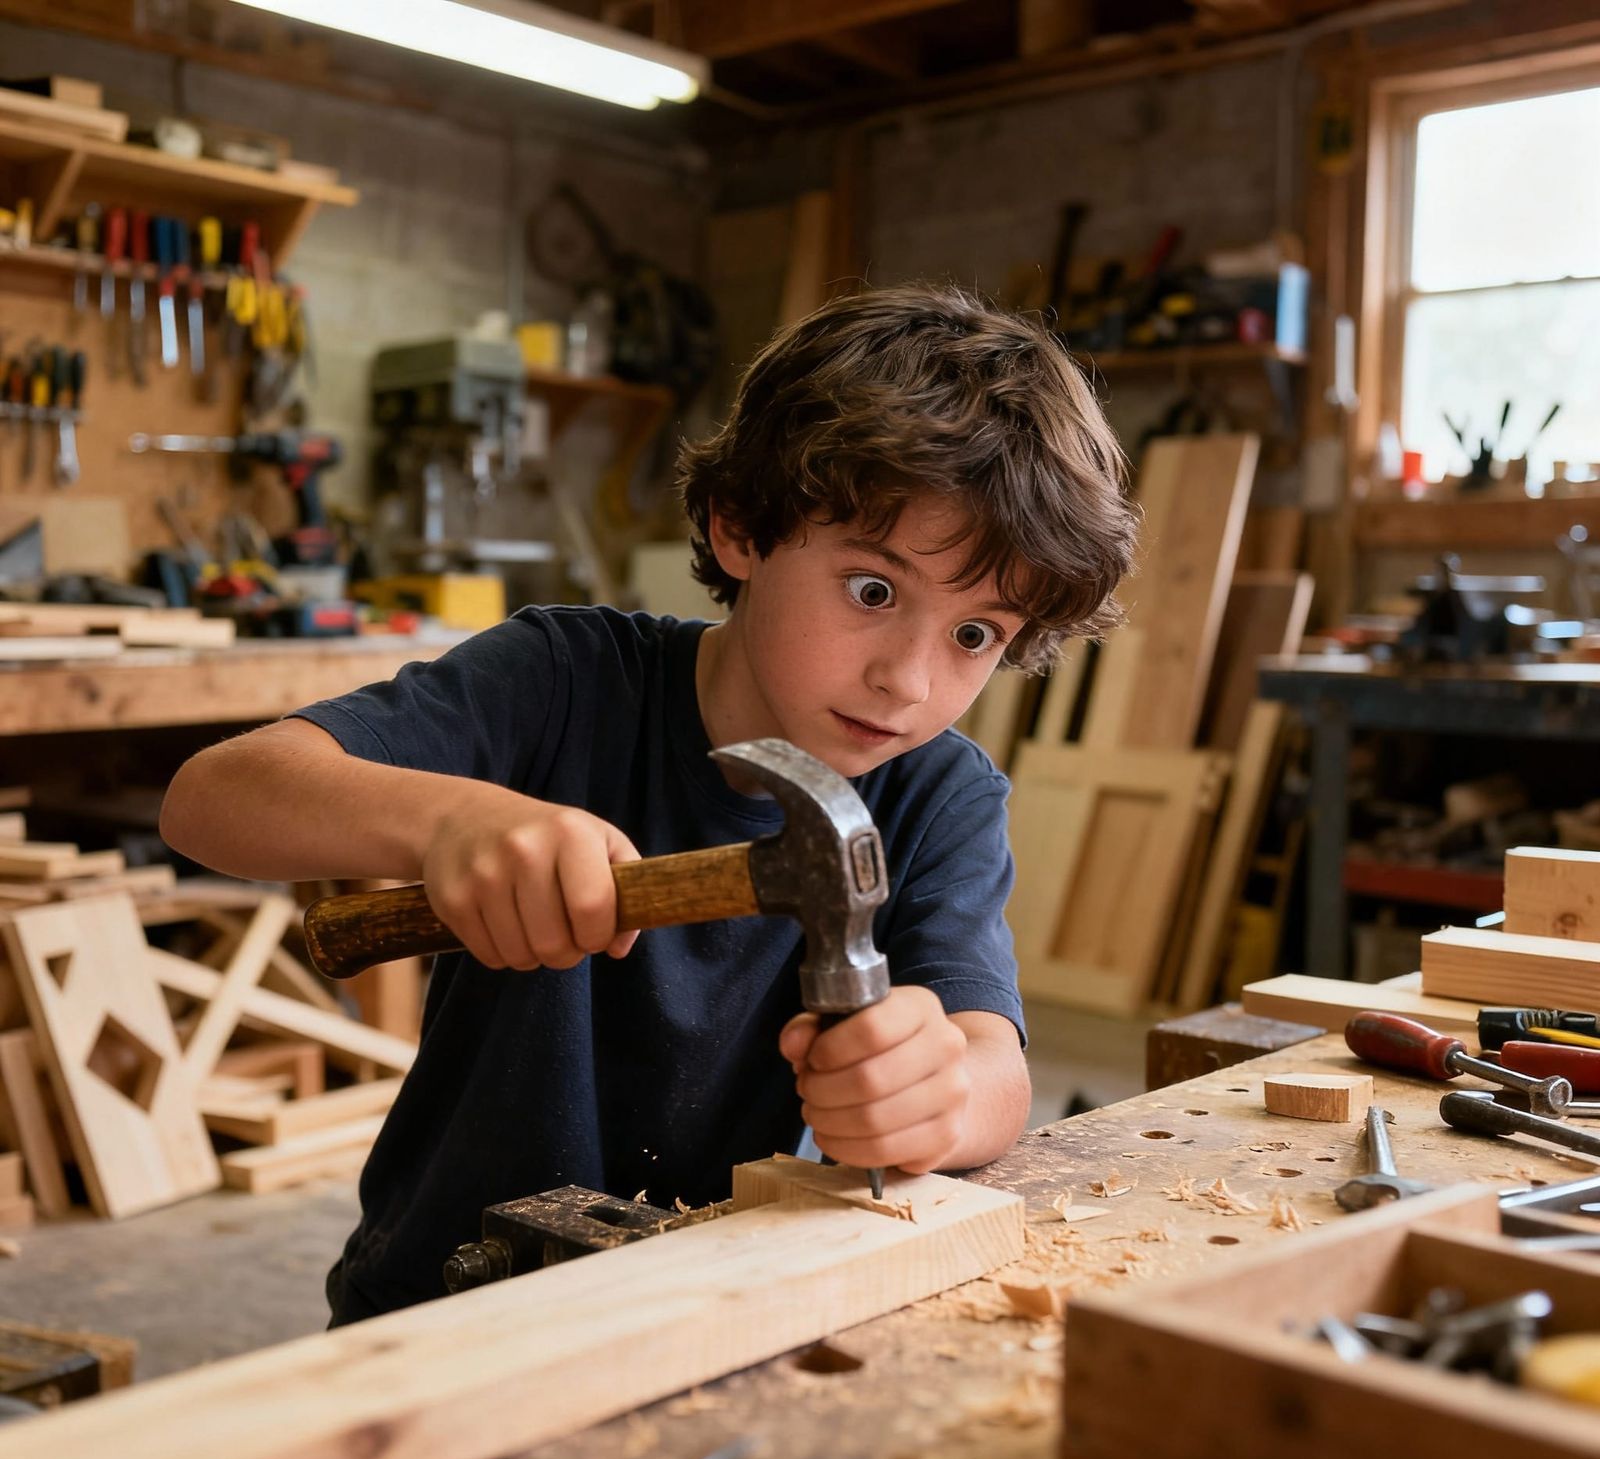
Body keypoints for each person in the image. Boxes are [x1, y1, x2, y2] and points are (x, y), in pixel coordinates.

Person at [159, 282, 1139, 1324]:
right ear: (738, 530)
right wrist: (448, 819)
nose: (909, 679)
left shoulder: (939, 794)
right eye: (873, 591)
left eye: (975, 634)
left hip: (705, 1300)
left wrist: (935, 1097)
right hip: (440, 1298)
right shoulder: (563, 681)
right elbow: (208, 799)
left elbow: (992, 1063)